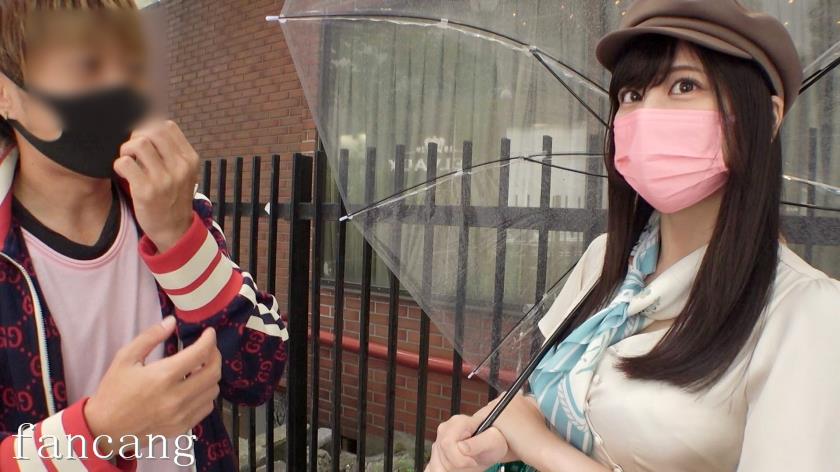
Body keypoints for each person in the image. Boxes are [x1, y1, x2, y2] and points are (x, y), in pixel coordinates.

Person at [427, 1, 840, 471]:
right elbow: (558, 404)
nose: (647, 113)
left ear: (766, 117)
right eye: (632, 94)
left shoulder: (807, 313)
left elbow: (540, 437)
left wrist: (539, 447)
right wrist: (489, 439)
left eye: (685, 85)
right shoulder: (603, 260)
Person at [0, 2, 287, 471]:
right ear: (6, 94)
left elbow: (259, 373)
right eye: (88, 64)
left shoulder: (170, 207)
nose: (120, 84)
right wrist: (98, 432)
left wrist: (178, 236)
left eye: (134, 67)